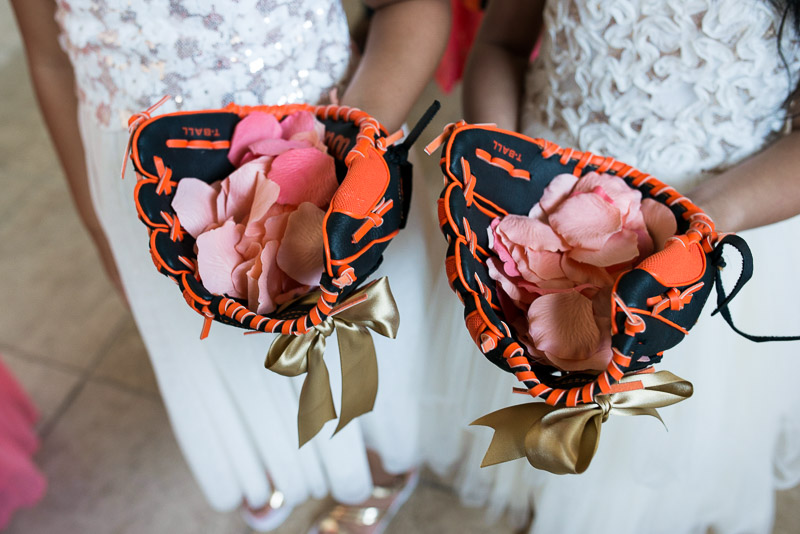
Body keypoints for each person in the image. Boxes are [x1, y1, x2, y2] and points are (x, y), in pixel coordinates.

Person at [10, 1, 449, 532]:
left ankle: (378, 464)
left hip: (320, 137)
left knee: (347, 351)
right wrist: (98, 224)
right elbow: (52, 61)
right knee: (213, 354)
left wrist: (342, 157)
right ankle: (271, 454)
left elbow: (413, 8)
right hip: (142, 171)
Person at [423, 1, 800, 533]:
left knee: (645, 469)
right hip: (537, 212)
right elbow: (499, 45)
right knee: (530, 393)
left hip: (713, 224)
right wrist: (500, 177)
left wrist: (695, 224)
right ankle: (540, 501)